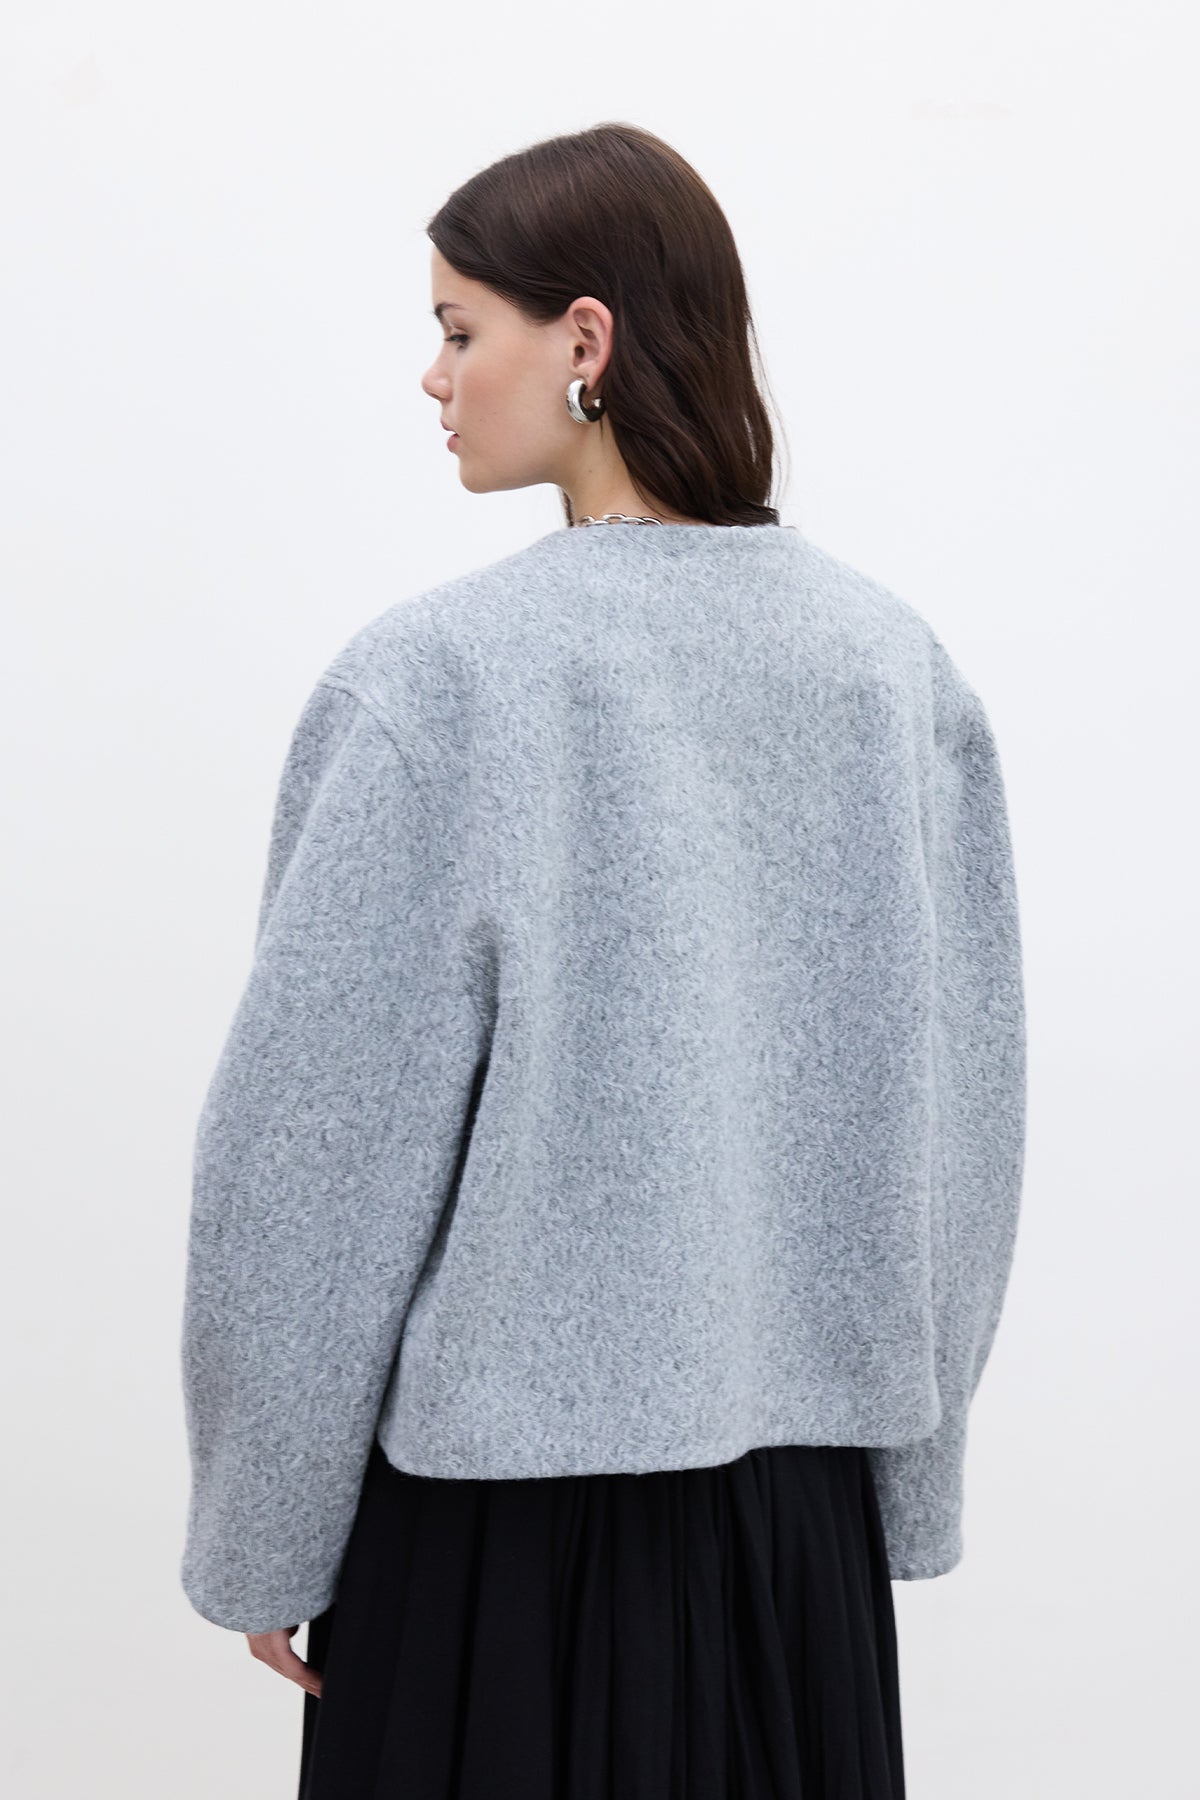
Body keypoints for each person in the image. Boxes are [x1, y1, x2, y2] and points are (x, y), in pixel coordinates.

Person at [179, 123, 1026, 1800]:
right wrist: (911, 1477)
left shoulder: (439, 686)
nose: (433, 377)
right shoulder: (892, 674)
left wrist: (267, 1526)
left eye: (458, 329)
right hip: (800, 1549)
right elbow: (965, 1120)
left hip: (492, 1561)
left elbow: (310, 1164)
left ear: (585, 339)